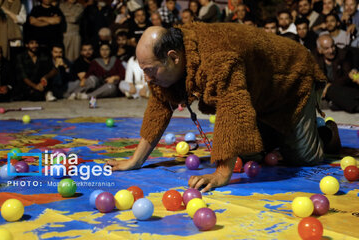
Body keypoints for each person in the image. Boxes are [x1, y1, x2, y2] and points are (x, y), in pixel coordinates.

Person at [107, 23, 344, 192]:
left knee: (302, 158)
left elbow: (233, 108)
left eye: (150, 70)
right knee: (249, 153)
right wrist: (136, 160)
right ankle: (285, 133)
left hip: (292, 79)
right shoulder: (174, 52)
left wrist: (221, 174)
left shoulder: (217, 58)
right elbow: (159, 105)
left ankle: (325, 132)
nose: (147, 79)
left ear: (173, 57)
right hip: (258, 91)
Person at [315, 34, 359, 112]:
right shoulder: (315, 59)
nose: (331, 51)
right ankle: (336, 104)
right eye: (326, 48)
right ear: (320, 50)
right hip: (324, 93)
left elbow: (347, 77)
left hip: (343, 89)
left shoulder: (343, 55)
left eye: (332, 46)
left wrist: (329, 86)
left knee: (332, 91)